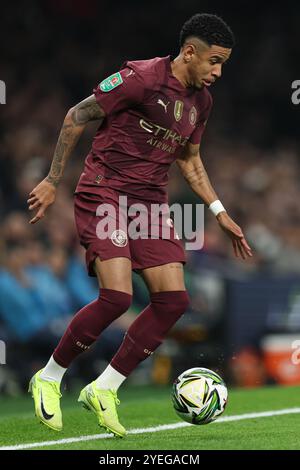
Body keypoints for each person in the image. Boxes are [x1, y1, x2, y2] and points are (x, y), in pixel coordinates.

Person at [27, 13, 252, 438]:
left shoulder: (201, 101)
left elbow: (189, 158)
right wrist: (53, 179)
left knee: (173, 302)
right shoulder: (141, 79)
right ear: (190, 52)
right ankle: (50, 376)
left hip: (150, 204)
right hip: (105, 191)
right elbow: (77, 115)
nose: (218, 73)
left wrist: (220, 212)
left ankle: (105, 388)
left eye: (224, 64)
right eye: (214, 62)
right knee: (115, 297)